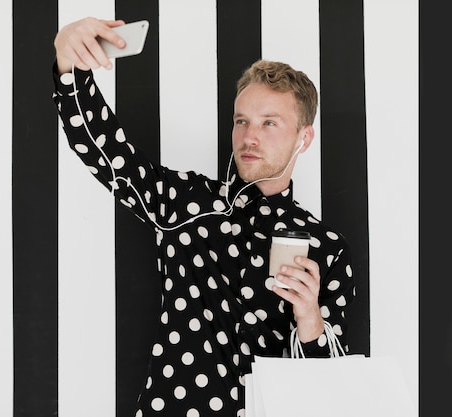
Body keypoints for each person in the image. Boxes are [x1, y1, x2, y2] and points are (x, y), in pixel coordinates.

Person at [52, 17, 356, 417]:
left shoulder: (327, 249)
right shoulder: (183, 204)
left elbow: (327, 390)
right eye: (241, 120)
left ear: (304, 137)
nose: (250, 136)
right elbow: (106, 152)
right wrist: (67, 66)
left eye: (270, 123)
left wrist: (309, 317)